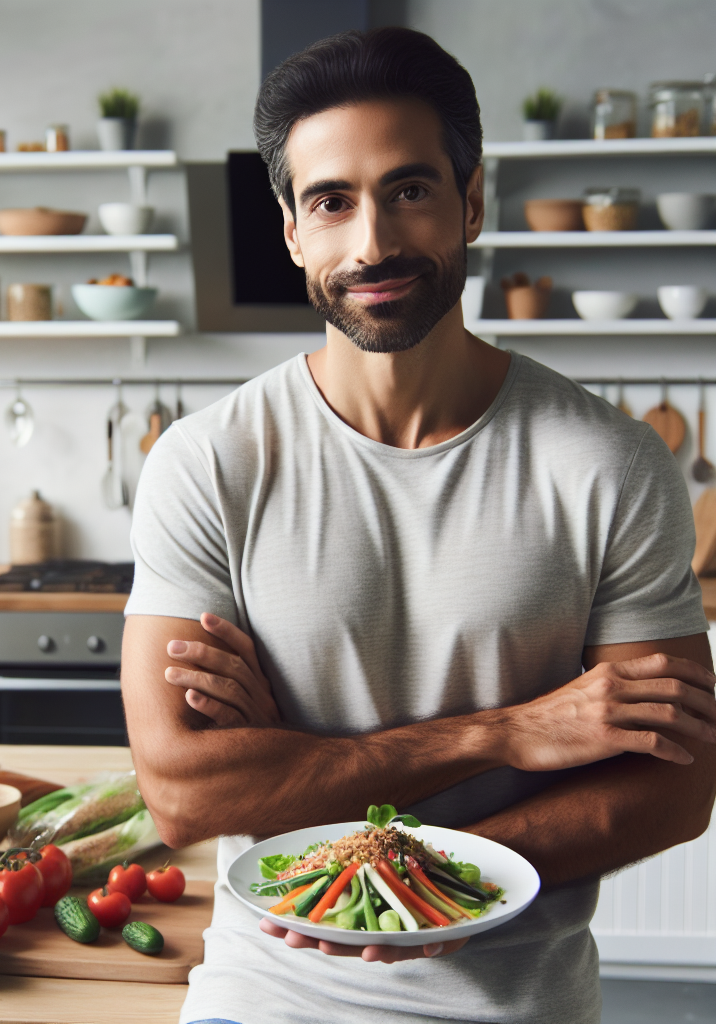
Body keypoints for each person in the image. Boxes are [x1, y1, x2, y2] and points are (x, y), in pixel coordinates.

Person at [120, 26, 716, 1024]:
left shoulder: (607, 462)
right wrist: (514, 730)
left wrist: (388, 871)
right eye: (331, 201)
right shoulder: (208, 461)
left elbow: (672, 786)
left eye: (408, 190)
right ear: (290, 231)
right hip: (264, 995)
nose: (372, 244)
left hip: (515, 1002)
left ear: (470, 200)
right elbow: (184, 793)